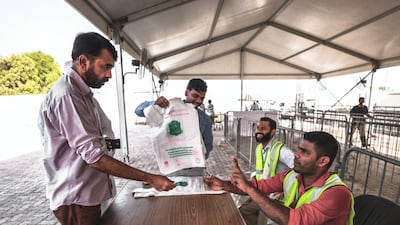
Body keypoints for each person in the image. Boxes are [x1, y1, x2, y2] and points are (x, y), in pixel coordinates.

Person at [37, 32, 175, 225]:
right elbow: (94, 157)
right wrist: (150, 178)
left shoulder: (83, 95)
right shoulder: (67, 96)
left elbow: (98, 138)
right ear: (83, 61)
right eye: (106, 66)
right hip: (77, 198)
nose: (109, 74)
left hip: (89, 194)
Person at [204, 131, 355, 225]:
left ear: (323, 161)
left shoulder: (337, 194)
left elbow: (295, 221)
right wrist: (224, 185)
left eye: (304, 152)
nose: (296, 154)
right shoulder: (292, 175)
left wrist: (249, 188)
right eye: (298, 149)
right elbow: (259, 187)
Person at [135, 78, 213, 159]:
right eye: (195, 96)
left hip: (194, 166)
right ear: (186, 92)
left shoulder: (205, 119)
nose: (199, 101)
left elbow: (208, 145)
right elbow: (138, 111)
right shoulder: (169, 108)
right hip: (171, 163)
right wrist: (155, 104)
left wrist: (198, 158)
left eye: (202, 98)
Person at [239, 117, 294, 225]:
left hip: (275, 198)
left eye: (263, 128)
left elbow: (299, 168)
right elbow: (261, 170)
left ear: (272, 132)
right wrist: (254, 178)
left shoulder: (282, 150)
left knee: (262, 220)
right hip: (262, 192)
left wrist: (286, 188)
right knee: (244, 211)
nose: (259, 131)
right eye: (258, 128)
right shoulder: (260, 148)